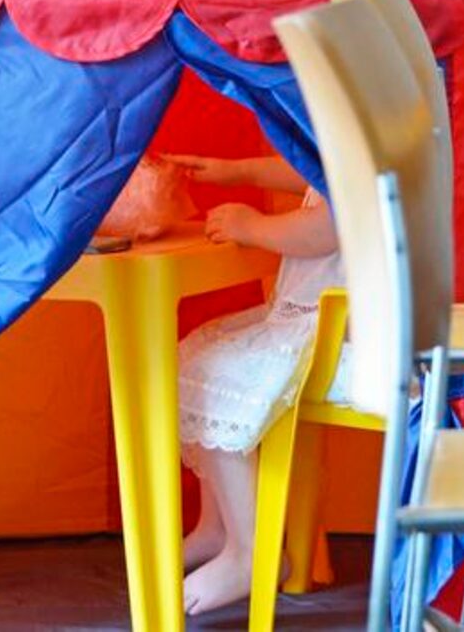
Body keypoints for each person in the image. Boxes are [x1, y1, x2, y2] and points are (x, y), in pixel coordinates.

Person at [166, 152, 345, 616]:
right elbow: (311, 164)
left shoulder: (373, 130)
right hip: (311, 321)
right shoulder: (353, 127)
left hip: (338, 334)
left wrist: (253, 226)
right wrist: (235, 170)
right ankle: (218, 528)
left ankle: (251, 554)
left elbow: (327, 228)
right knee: (198, 356)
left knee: (216, 373)